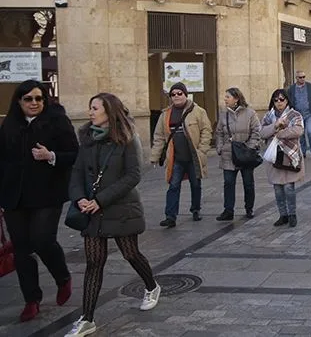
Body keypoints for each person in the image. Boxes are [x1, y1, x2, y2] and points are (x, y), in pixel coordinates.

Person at [66, 93, 160, 337]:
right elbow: (76, 173)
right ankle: (87, 319)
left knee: (131, 254)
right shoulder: (86, 138)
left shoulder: (128, 138)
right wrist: (80, 198)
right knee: (94, 263)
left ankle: (151, 286)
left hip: (121, 209)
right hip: (92, 211)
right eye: (90, 108)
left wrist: (100, 200)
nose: (90, 112)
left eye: (94, 108)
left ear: (109, 111)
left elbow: (133, 176)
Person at [0, 80, 78, 323]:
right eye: (28, 99)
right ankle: (31, 299)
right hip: (15, 197)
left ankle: (62, 277)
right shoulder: (9, 125)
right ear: (19, 102)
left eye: (38, 99)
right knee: (22, 249)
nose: (34, 103)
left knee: (43, 241)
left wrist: (51, 156)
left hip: (47, 194)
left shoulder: (57, 121)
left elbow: (74, 154)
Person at [150, 82, 212, 228]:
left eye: (180, 93)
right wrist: (154, 156)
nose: (176, 96)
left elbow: (206, 130)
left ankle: (195, 209)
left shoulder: (197, 111)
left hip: (193, 156)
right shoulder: (165, 114)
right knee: (173, 185)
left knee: (195, 184)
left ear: (185, 94)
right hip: (176, 158)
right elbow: (159, 136)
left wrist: (202, 150)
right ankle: (170, 216)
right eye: (173, 94)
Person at [213, 87, 261, 221]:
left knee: (248, 183)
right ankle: (228, 211)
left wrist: (250, 147)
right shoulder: (223, 115)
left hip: (245, 153)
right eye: (225, 97)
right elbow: (219, 133)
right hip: (228, 153)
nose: (225, 99)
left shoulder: (250, 113)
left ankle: (249, 208)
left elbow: (256, 131)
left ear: (236, 99)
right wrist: (220, 147)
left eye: (227, 97)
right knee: (228, 182)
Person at [260, 89, 304, 228]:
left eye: (282, 99)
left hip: (290, 155)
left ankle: (292, 214)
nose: (279, 102)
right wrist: (275, 126)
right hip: (274, 157)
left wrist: (280, 133)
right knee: (278, 188)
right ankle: (282, 215)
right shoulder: (268, 116)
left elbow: (298, 131)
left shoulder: (294, 115)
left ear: (287, 100)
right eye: (276, 100)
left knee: (289, 187)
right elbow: (262, 132)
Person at [286, 71, 311, 159]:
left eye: (304, 77)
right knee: (301, 134)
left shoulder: (310, 86)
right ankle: (303, 152)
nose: (302, 79)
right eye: (300, 77)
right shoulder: (291, 89)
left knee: (310, 132)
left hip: (309, 114)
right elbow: (288, 100)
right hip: (298, 115)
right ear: (296, 78)